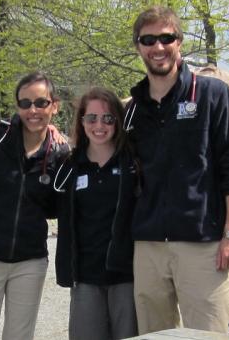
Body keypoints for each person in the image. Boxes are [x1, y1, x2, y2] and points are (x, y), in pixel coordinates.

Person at [122, 6, 229, 334]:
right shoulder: (132, 109)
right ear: (138, 46)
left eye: (167, 38)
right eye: (148, 39)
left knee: (211, 335)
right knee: (154, 337)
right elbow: (97, 146)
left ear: (180, 42)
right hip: (149, 246)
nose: (158, 47)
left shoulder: (212, 94)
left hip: (203, 244)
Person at [0, 72, 70, 340]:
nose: (32, 110)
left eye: (40, 103)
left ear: (54, 105)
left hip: (30, 260)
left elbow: (56, 206)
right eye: (25, 103)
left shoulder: (59, 153)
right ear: (17, 106)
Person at [53, 87, 138, 340]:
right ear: (81, 121)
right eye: (91, 118)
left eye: (108, 118)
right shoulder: (68, 165)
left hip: (128, 274)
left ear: (118, 122)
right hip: (85, 275)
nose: (99, 125)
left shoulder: (134, 162)